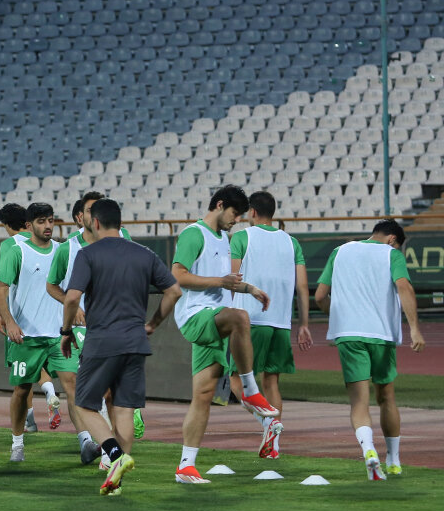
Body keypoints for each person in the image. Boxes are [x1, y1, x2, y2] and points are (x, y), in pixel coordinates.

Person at [61, 199, 182, 495]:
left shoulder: (88, 254)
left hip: (101, 341)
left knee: (84, 404)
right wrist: (153, 323)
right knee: (125, 410)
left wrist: (66, 330)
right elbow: (174, 291)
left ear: (95, 223)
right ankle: (116, 480)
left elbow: (72, 297)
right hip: (136, 342)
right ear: (120, 222)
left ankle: (115, 456)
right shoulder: (145, 254)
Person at [171, 185, 279, 484]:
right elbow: (178, 275)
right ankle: (251, 390)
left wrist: (249, 288)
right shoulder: (194, 234)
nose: (237, 220)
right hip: (196, 315)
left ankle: (186, 466)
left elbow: (224, 281)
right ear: (219, 205)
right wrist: (221, 282)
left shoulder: (223, 238)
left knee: (203, 394)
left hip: (213, 318)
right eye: (234, 213)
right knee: (240, 317)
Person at [314, 219, 426, 480]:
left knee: (359, 401)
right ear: (392, 239)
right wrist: (414, 329)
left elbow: (319, 296)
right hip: (381, 335)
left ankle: (368, 450)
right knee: (386, 397)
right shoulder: (392, 254)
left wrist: (339, 316)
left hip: (349, 335)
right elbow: (404, 287)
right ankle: (394, 460)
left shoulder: (340, 251)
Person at [46, 191, 134, 462]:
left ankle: (112, 450)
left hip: (114, 324)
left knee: (109, 391)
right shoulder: (68, 248)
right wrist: (72, 307)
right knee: (88, 388)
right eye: (90, 210)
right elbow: (52, 286)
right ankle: (101, 448)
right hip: (81, 328)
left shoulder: (122, 239)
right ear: (79, 217)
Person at [228, 191, 313, 458]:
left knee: (235, 379)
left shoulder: (242, 237)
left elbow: (232, 279)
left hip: (250, 319)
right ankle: (274, 444)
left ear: (252, 212)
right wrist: (304, 324)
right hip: (281, 321)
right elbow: (302, 286)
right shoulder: (291, 242)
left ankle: (267, 422)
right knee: (271, 381)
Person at [0, 202, 77, 463]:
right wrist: (9, 321)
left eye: (50, 220)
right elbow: (0, 289)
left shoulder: (62, 251)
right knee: (21, 390)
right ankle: (17, 444)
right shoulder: (17, 251)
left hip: (58, 334)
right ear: (29, 226)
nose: (48, 226)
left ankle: (87, 440)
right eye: (41, 221)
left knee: (73, 385)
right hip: (26, 336)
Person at [0, 201, 62, 433]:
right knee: (45, 368)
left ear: (7, 225)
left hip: (21, 319)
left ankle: (29, 420)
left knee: (22, 378)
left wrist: (2, 316)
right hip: (53, 322)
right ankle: (51, 393)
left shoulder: (10, 245)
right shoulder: (55, 246)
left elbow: (3, 285)